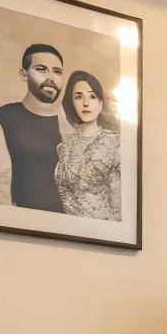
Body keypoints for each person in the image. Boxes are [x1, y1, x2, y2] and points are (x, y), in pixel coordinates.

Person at [0, 43, 66, 211]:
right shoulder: (0, 120)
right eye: (41, 69)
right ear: (24, 74)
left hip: (69, 231)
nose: (51, 77)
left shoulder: (71, 124)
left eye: (57, 71)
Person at [54, 70, 122, 221]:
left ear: (100, 103)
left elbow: (118, 208)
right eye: (78, 97)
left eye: (92, 96)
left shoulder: (114, 143)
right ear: (71, 102)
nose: (86, 103)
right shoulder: (64, 146)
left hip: (101, 233)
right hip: (67, 231)